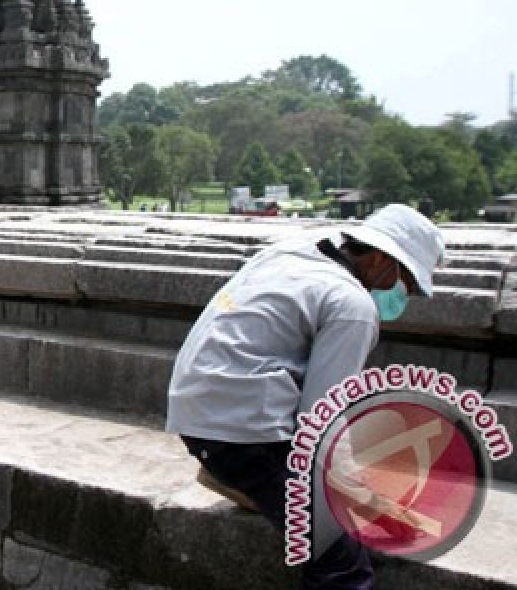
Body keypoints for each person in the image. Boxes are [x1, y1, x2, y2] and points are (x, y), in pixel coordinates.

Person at [166, 203, 445, 589]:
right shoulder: (353, 306)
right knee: (342, 560)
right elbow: (322, 420)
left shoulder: (297, 249)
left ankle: (256, 483)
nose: (403, 295)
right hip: (242, 434)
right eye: (407, 284)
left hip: (200, 411)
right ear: (382, 260)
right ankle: (255, 478)